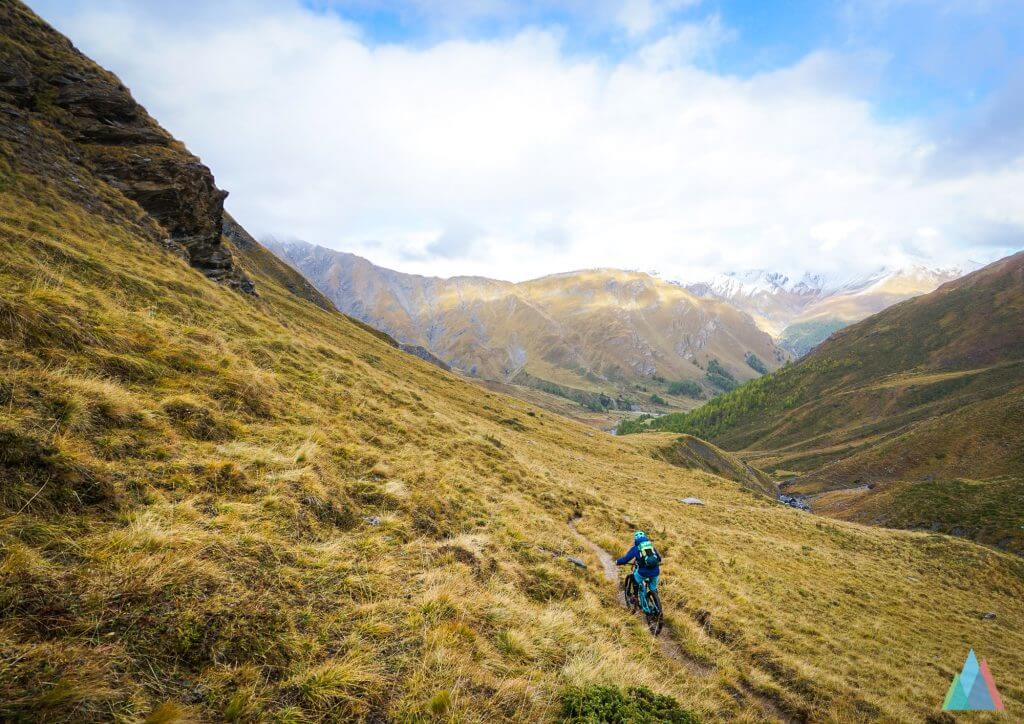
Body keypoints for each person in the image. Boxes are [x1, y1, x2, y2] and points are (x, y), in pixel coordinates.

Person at [616, 530, 662, 611]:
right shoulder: (651, 546)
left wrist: (618, 562)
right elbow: (659, 559)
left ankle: (635, 597)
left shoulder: (636, 548)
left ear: (635, 539)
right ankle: (656, 604)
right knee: (653, 588)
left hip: (643, 572)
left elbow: (626, 559)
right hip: (655, 571)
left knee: (634, 578)